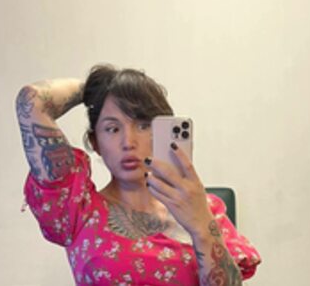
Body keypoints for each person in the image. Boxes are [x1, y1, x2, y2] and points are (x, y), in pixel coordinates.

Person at [16, 64, 261, 285]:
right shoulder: (79, 208)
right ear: (96, 142)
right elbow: (32, 101)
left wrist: (202, 227)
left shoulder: (206, 209)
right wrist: (97, 88)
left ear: (163, 133)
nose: (128, 142)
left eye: (143, 125)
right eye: (112, 129)